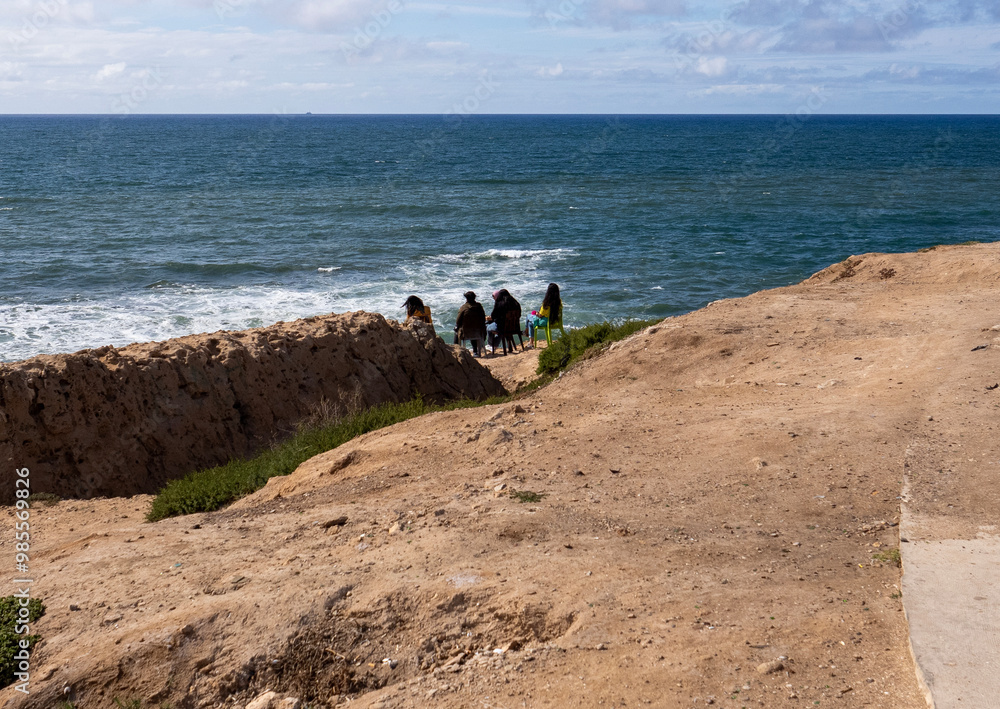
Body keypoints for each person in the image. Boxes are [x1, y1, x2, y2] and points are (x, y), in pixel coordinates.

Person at [528, 282, 562, 348]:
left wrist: (536, 313)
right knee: (530, 320)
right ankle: (527, 335)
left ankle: (530, 341)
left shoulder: (546, 303)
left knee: (529, 318)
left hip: (545, 322)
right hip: (555, 321)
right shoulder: (559, 302)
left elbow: (540, 315)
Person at [455, 291, 487, 357]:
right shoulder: (479, 306)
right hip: (479, 332)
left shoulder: (464, 307)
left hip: (466, 332)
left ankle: (456, 349)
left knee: (456, 331)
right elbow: (483, 318)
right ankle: (475, 351)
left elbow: (458, 321)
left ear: (466, 298)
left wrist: (457, 326)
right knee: (474, 327)